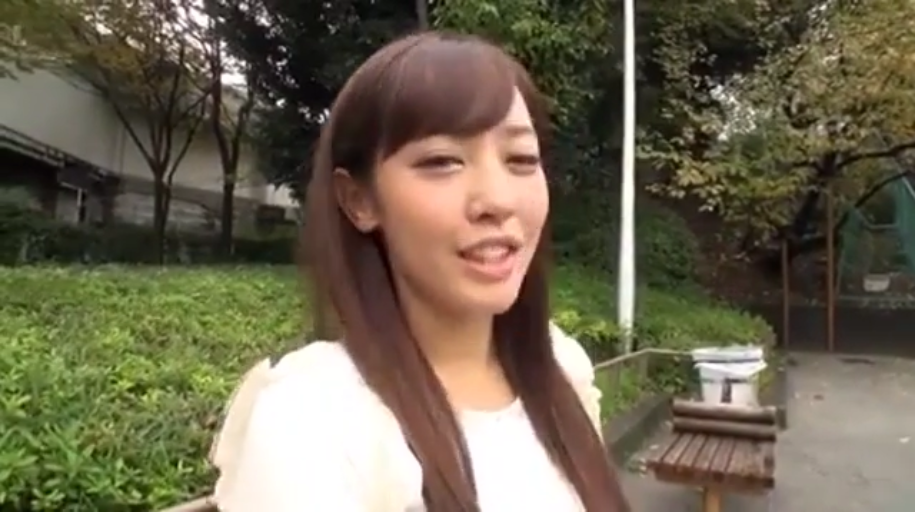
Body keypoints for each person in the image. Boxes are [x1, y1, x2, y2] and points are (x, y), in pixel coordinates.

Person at [209, 31, 630, 511]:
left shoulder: (563, 368)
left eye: (521, 159)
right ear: (359, 200)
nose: (498, 200)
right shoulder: (312, 419)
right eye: (442, 162)